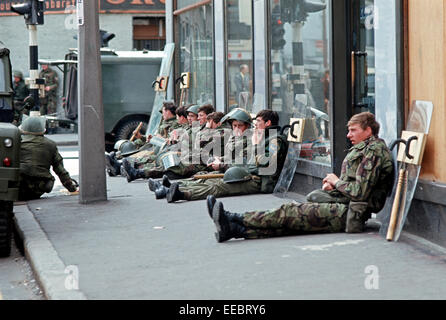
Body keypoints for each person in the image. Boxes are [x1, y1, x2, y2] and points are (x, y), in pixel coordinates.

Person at [207, 112, 395, 242]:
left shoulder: (374, 152)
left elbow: (360, 192)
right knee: (291, 223)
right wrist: (336, 185)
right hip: (344, 204)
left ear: (368, 130)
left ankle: (235, 218)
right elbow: (357, 185)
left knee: (289, 214)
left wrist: (336, 182)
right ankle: (234, 229)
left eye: (353, 130)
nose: (348, 135)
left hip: (351, 211)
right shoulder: (366, 149)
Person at [160, 109, 287, 203]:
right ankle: (170, 189)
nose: (255, 125)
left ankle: (181, 194)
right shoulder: (264, 137)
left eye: (258, 122)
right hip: (248, 173)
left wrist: (255, 144)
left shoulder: (275, 140)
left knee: (218, 187)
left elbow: (265, 163)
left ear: (268, 123)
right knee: (209, 179)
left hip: (260, 180)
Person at [18, 115, 78, 201]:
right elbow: (60, 171)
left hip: (19, 186)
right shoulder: (50, 145)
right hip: (40, 187)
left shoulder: (18, 142)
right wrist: (72, 189)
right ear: (43, 130)